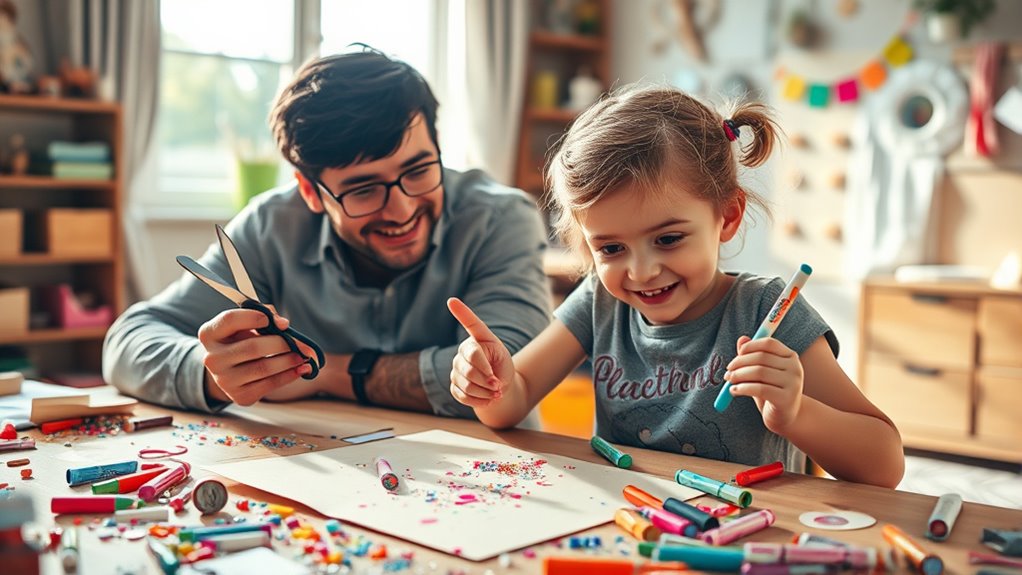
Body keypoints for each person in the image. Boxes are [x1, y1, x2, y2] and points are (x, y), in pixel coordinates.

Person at [447, 84, 905, 488]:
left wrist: (797, 413)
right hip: (633, 524)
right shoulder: (599, 302)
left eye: (667, 239)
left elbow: (884, 465)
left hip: (746, 534)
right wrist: (492, 383)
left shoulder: (768, 311)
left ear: (727, 216)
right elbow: (513, 400)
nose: (642, 271)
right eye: (610, 249)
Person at [103, 48, 552, 417]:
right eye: (363, 189)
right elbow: (127, 342)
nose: (403, 208)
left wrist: (329, 373)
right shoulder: (271, 225)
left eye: (418, 170)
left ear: (437, 147)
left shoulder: (501, 219)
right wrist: (211, 371)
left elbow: (504, 377)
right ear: (310, 193)